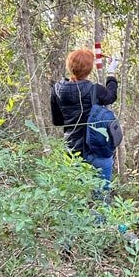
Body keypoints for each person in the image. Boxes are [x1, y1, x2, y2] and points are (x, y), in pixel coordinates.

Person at [51, 47, 120, 184]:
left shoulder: (57, 89)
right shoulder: (94, 90)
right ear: (89, 70)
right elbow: (111, 96)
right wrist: (111, 73)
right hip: (96, 149)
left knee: (75, 198)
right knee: (101, 197)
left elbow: (58, 120)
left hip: (72, 151)